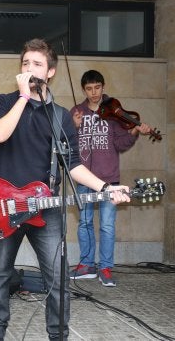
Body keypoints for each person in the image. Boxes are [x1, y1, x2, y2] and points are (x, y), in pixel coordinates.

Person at [0, 38, 131, 341]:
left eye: (36, 64)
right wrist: (23, 98)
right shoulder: (3, 101)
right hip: (4, 205)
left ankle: (58, 336)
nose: (29, 68)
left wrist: (105, 187)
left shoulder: (61, 116)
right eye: (25, 63)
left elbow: (73, 164)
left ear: (50, 71)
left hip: (45, 208)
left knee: (58, 278)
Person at [69, 70, 151, 287]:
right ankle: (86, 265)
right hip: (84, 179)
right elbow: (68, 146)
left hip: (110, 179)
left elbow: (120, 144)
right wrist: (74, 128)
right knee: (84, 223)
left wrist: (134, 132)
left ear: (103, 87)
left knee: (107, 225)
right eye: (89, 88)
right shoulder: (76, 112)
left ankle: (105, 267)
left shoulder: (113, 113)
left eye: (97, 87)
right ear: (83, 90)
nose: (94, 93)